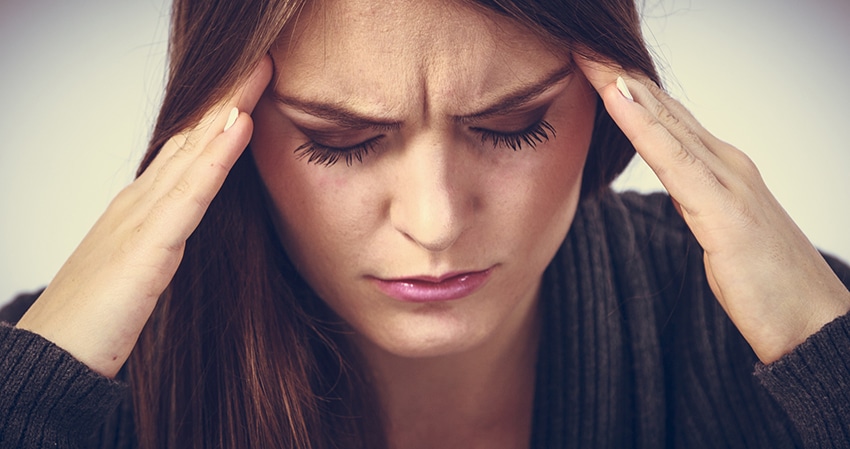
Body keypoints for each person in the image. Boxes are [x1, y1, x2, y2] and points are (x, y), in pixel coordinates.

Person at [1, 0, 849, 448]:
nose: (436, 220)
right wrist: (36, 390)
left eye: (512, 125)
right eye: (341, 141)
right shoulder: (81, 377)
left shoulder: (763, 335)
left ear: (615, 99)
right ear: (227, 131)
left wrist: (828, 349)